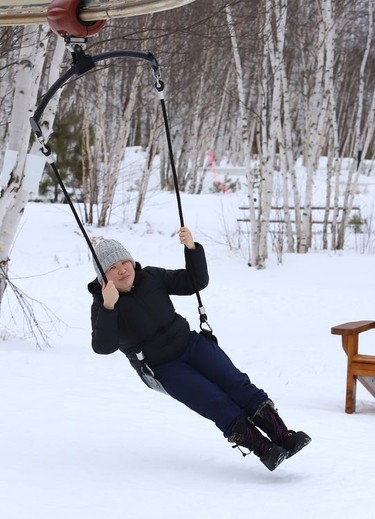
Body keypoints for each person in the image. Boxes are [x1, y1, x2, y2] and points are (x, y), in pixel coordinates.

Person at [88, 227, 311, 471]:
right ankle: (265, 450)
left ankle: (282, 435)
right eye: (112, 267)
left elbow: (195, 281)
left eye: (124, 262)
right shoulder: (103, 303)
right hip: (163, 367)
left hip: (191, 344)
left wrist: (192, 249)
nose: (122, 270)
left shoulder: (151, 277)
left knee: (237, 384)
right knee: (215, 401)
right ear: (102, 275)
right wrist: (109, 307)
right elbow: (103, 346)